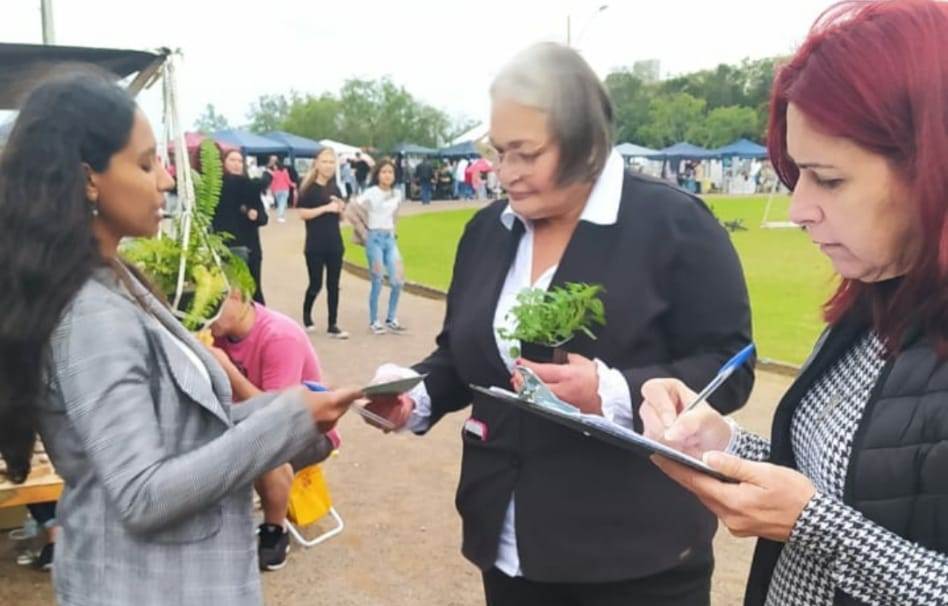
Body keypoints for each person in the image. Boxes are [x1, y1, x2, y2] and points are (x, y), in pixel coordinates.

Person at [363, 43, 753, 606]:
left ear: (587, 143)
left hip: (636, 558)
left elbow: (729, 365)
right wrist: (413, 396)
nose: (506, 174)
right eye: (499, 153)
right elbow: (460, 354)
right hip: (508, 547)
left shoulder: (674, 225)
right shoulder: (487, 232)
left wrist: (613, 392)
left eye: (526, 153)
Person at [0, 69, 361, 606]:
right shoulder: (92, 314)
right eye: (145, 164)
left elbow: (182, 433)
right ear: (87, 179)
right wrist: (286, 421)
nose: (166, 180)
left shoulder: (114, 281)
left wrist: (292, 411)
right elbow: (144, 493)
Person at [639, 2, 948, 605]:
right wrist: (721, 443)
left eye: (828, 179)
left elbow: (823, 513)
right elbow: (837, 478)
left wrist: (815, 526)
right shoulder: (876, 303)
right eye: (797, 174)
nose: (798, 208)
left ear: (931, 169)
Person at [208, 287, 339, 570]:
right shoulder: (218, 336)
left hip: (310, 429)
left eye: (212, 306)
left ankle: (274, 532)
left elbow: (278, 416)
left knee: (263, 449)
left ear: (237, 295)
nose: (207, 318)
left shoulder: (279, 336)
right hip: (249, 423)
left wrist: (228, 369)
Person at [297, 146, 350, 339]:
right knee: (316, 283)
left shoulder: (335, 187)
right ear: (317, 164)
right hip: (315, 244)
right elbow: (303, 214)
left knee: (333, 284)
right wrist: (326, 208)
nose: (328, 166)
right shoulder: (308, 188)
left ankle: (332, 324)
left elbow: (341, 218)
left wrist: (341, 208)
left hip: (334, 242)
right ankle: (307, 314)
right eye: (325, 161)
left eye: (331, 162)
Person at [352, 159, 406, 335]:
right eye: (383, 172)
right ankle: (374, 320)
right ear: (377, 175)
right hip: (374, 239)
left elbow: (394, 215)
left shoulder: (397, 194)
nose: (387, 175)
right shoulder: (371, 193)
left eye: (390, 172)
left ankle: (391, 317)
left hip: (389, 239)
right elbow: (352, 210)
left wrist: (394, 230)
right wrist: (364, 233)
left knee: (397, 279)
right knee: (377, 279)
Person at [213, 149, 269, 304]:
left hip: (251, 245)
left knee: (254, 289)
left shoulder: (250, 188)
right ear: (223, 163)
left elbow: (264, 218)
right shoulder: (218, 187)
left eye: (239, 161)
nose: (237, 164)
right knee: (232, 292)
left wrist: (256, 215)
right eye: (232, 160)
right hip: (228, 247)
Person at [266, 155, 294, 222]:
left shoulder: (275, 173)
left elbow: (273, 182)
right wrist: (292, 185)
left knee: (280, 204)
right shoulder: (285, 171)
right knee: (282, 203)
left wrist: (271, 190)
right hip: (285, 190)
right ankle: (280, 216)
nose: (274, 167)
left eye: (275, 166)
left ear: (277, 166)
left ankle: (281, 216)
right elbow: (288, 180)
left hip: (277, 191)